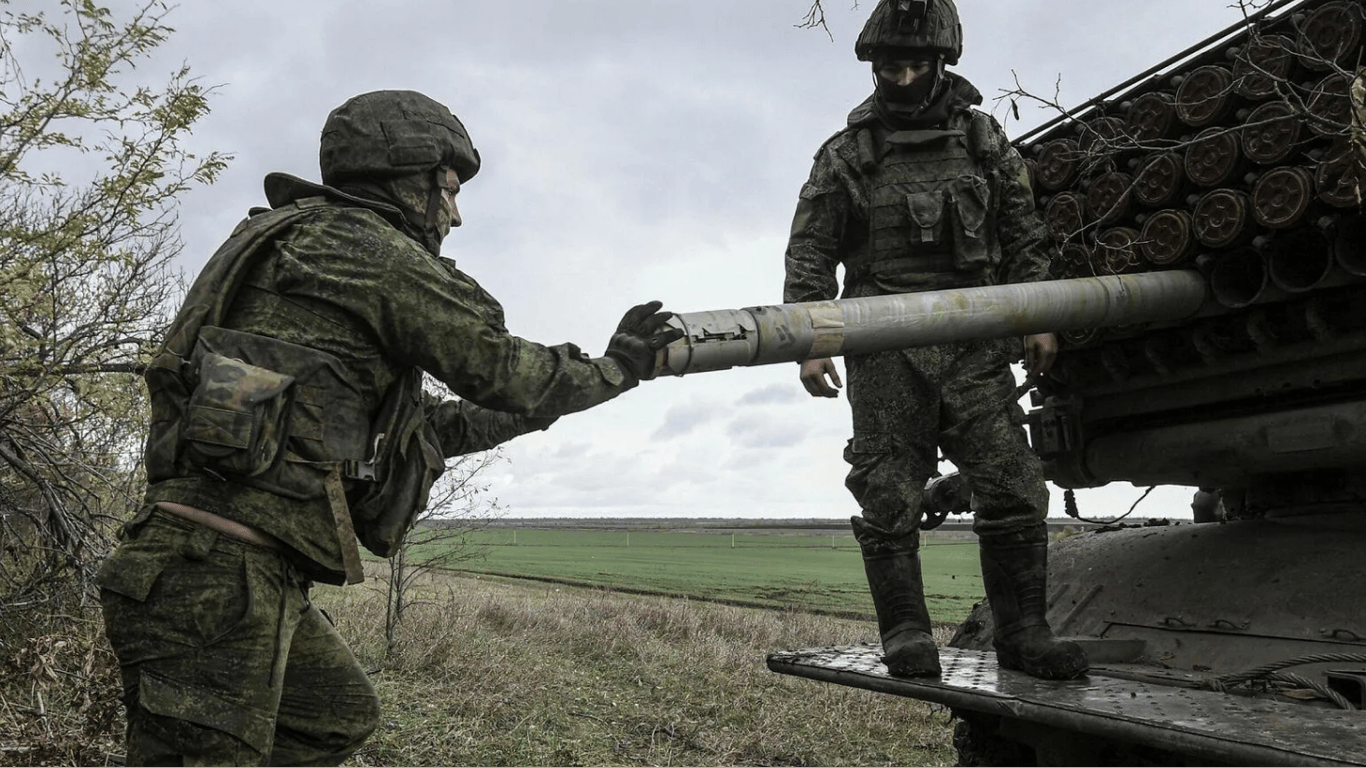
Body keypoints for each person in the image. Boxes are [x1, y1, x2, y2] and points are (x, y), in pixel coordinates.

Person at [96, 89, 683, 766]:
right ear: (408, 178)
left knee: (332, 718)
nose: (455, 216)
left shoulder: (290, 241)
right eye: (450, 190)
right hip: (215, 578)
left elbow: (429, 429)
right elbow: (505, 369)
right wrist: (617, 368)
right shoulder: (365, 249)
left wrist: (538, 413)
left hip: (221, 572)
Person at [783, 0, 1087, 681]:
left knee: (1013, 484)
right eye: (889, 66)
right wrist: (811, 339)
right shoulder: (846, 155)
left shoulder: (984, 142)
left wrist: (1038, 314)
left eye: (915, 65)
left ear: (942, 63)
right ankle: (907, 636)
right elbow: (809, 254)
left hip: (975, 344)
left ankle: (1025, 637)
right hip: (883, 344)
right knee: (888, 491)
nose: (900, 78)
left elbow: (1021, 233)